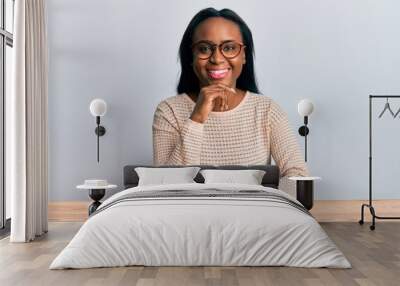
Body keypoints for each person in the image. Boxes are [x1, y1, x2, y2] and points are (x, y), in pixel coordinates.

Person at [152, 8, 309, 193]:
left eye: (229, 48)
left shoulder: (267, 110)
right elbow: (164, 187)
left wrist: (272, 204)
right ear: (191, 57)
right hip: (189, 213)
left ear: (243, 55)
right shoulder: (168, 110)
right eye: (204, 48)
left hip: (251, 213)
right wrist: (197, 117)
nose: (217, 59)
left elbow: (297, 174)